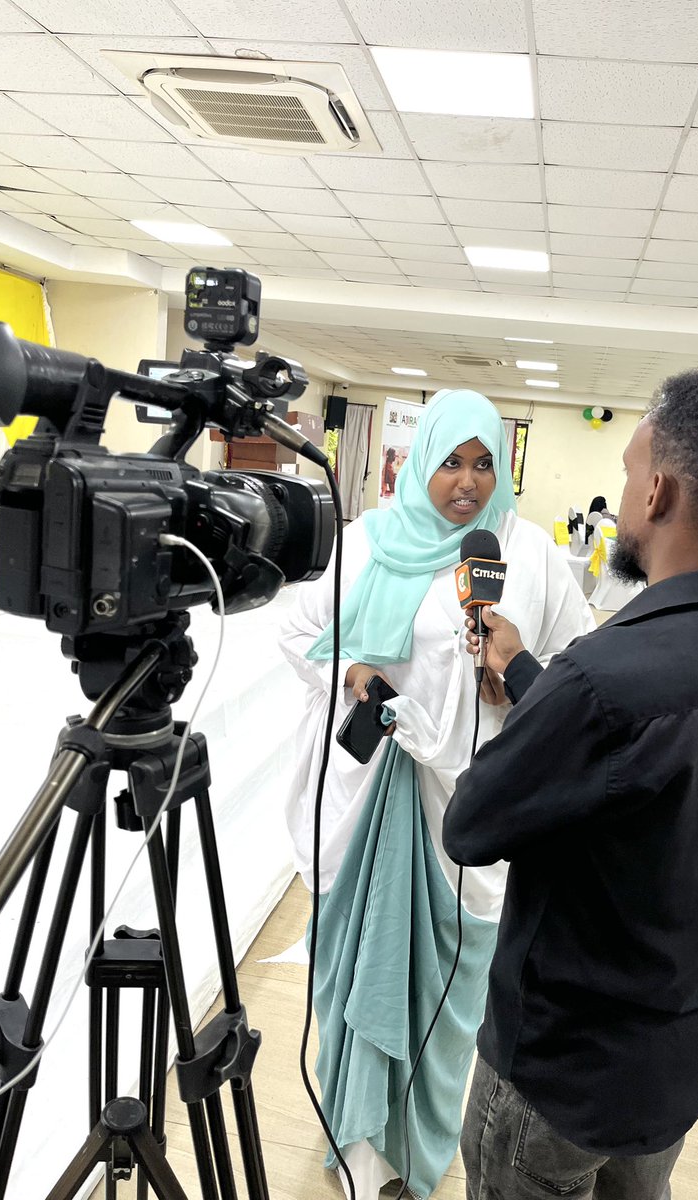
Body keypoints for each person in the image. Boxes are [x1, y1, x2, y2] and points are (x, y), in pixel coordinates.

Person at [442, 366, 698, 1200]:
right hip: (671, 1051)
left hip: (560, 1069)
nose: (616, 493)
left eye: (623, 472)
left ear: (658, 492)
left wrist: (545, 701)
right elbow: (638, 765)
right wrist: (530, 672)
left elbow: (469, 826)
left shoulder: (603, 678)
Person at [279, 388, 594, 1199]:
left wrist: (520, 684)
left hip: (474, 813)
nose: (468, 481)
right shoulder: (372, 539)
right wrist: (350, 674)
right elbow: (296, 630)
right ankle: (359, 1152)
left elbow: (577, 672)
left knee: (453, 999)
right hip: (371, 800)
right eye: (450, 462)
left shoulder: (526, 555)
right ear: (417, 464)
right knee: (354, 977)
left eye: (485, 462)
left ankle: (422, 1152)